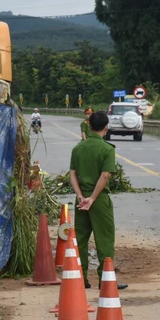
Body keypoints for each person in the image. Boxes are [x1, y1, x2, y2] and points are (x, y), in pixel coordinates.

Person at [69, 111, 128, 290]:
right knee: (105, 240)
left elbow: (72, 174)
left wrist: (81, 196)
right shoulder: (107, 149)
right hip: (99, 200)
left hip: (80, 200)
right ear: (106, 127)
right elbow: (104, 176)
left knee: (80, 239)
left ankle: (81, 277)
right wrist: (92, 198)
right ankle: (106, 280)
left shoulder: (78, 148)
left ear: (89, 126)